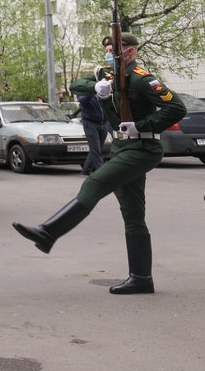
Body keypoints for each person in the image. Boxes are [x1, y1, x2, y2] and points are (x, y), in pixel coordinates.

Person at [12, 32, 186, 294]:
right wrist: (96, 87)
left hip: (142, 147)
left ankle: (49, 232)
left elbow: (177, 108)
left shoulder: (141, 80)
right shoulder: (108, 77)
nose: (109, 53)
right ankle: (141, 278)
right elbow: (76, 85)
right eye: (107, 49)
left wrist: (140, 126)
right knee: (132, 214)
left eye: (114, 48)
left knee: (95, 182)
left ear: (129, 52)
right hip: (121, 147)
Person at [76, 38, 113, 175]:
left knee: (97, 149)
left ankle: (86, 170)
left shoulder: (104, 85)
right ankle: (101, 173)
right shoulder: (85, 87)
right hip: (90, 123)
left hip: (103, 123)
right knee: (95, 149)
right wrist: (93, 89)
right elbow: (83, 101)